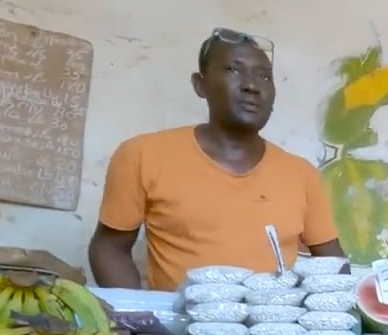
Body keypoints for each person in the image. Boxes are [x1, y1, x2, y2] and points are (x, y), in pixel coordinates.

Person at [88, 28, 345, 291]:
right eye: (234, 70)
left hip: (272, 328)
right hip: (177, 329)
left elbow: (334, 265)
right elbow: (110, 249)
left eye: (264, 76)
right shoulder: (142, 154)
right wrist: (137, 316)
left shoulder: (301, 174)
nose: (252, 85)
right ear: (200, 84)